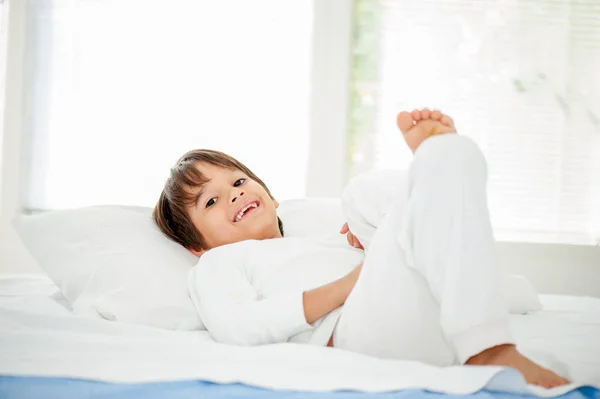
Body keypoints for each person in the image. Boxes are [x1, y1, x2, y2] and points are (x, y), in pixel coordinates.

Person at [153, 109, 570, 388]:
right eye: (210, 200)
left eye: (239, 181)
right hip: (355, 332)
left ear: (271, 196)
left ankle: (436, 160)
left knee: (390, 185)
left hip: (424, 318)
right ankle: (488, 348)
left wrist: (369, 242)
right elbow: (237, 327)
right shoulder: (219, 263)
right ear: (196, 246)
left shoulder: (326, 239)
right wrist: (354, 281)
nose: (233, 195)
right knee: (365, 193)